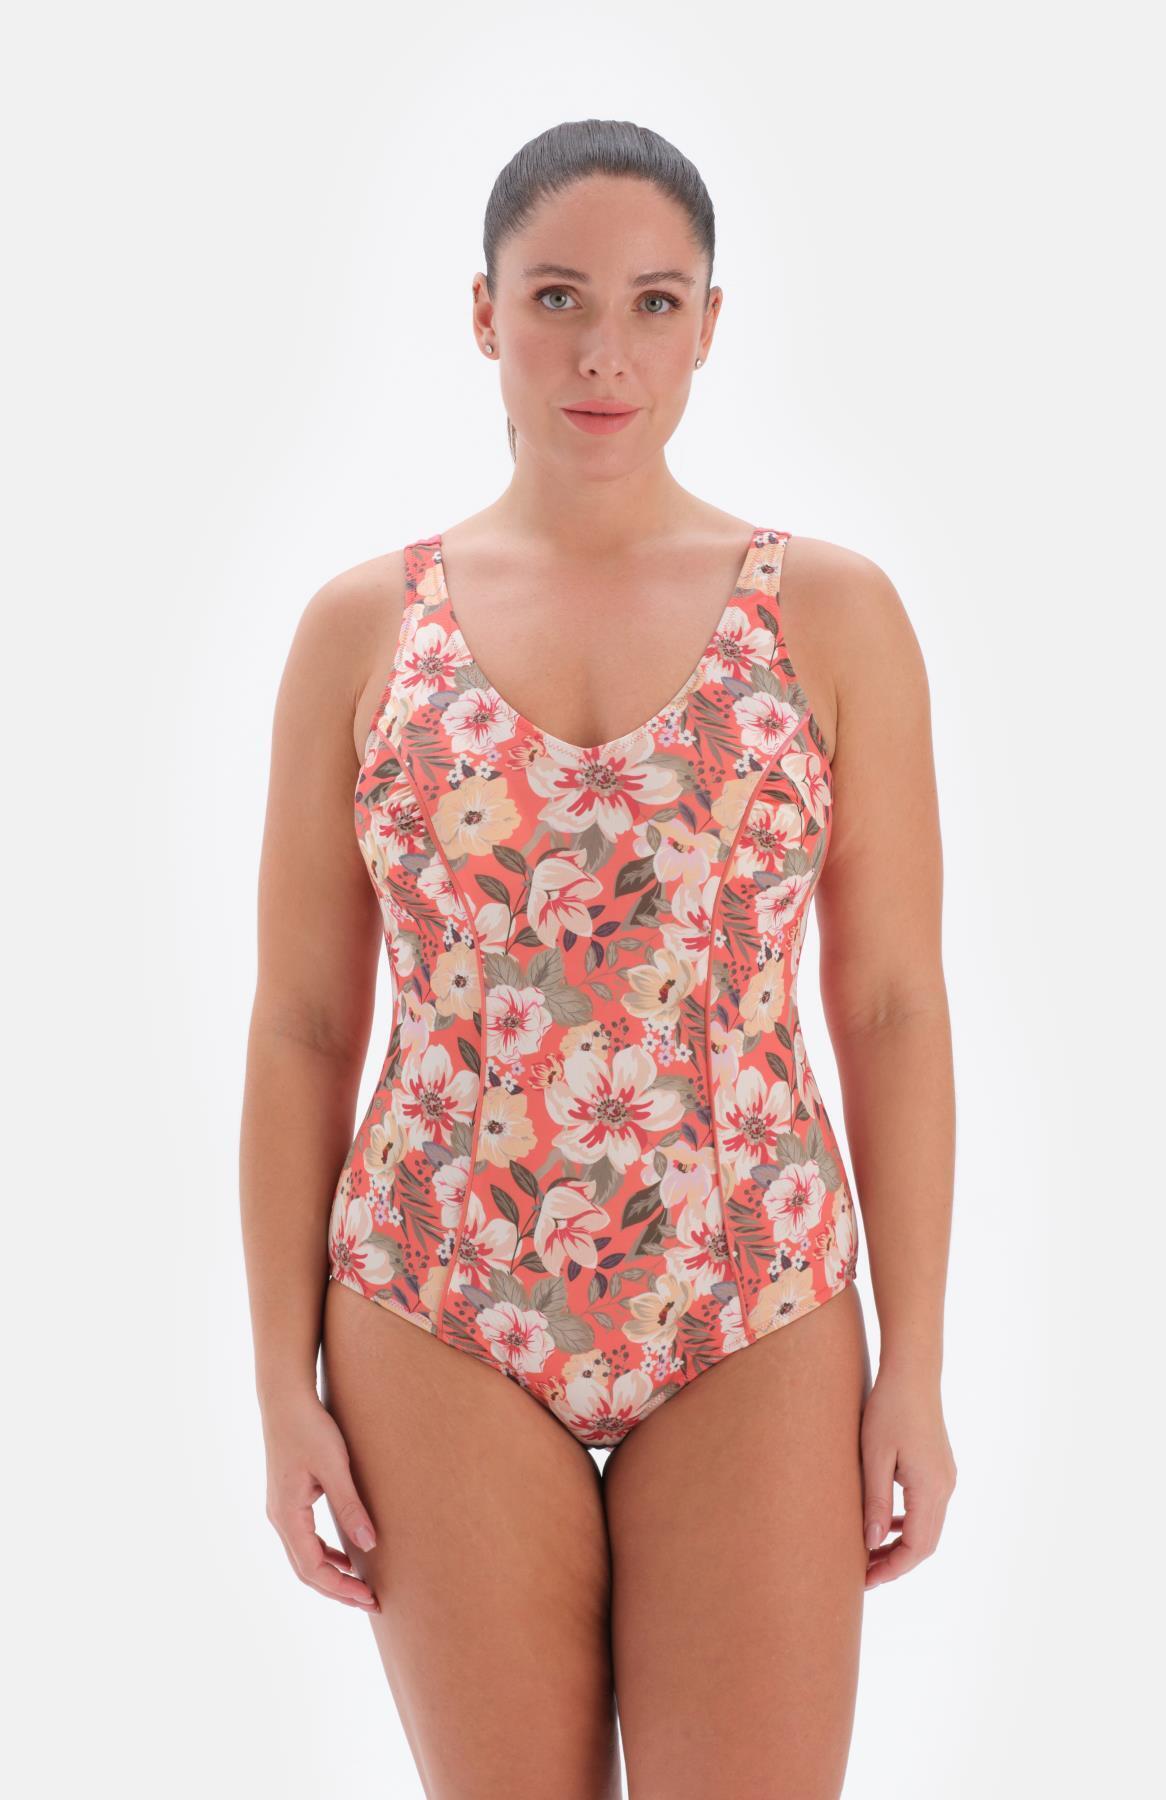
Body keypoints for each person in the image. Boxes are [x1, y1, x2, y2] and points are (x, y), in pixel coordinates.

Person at [241, 117, 957, 1800]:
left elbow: (891, 1004)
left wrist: (915, 1365)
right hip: (434, 1302)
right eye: (557, 296)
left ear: (710, 324)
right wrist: (280, 1386)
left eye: (654, 303)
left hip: (755, 1297)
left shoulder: (830, 615)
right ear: (483, 311)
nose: (603, 351)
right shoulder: (363, 630)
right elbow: (302, 1024)